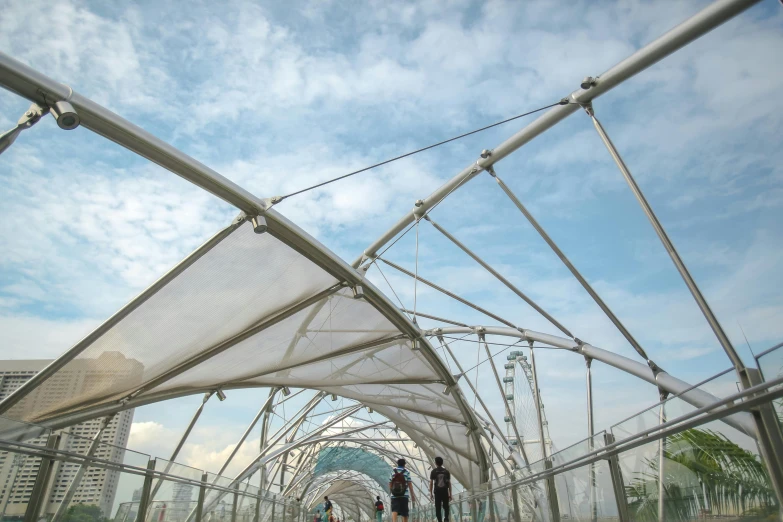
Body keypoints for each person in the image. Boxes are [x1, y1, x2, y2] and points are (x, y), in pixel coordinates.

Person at [389, 458, 415, 522]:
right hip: (404, 495)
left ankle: (394, 521)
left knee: (395, 510)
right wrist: (412, 494)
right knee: (404, 511)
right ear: (404, 464)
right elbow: (409, 484)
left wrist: (392, 491)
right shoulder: (406, 472)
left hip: (394, 495)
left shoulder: (392, 471)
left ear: (397, 464)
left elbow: (390, 483)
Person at [429, 456, 452, 522]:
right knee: (446, 506)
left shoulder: (433, 471)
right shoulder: (446, 472)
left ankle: (439, 520)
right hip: (445, 491)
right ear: (442, 463)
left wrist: (431, 493)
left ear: (436, 463)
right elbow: (449, 483)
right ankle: (446, 519)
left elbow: (431, 483)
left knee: (438, 508)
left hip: (437, 492)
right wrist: (450, 493)